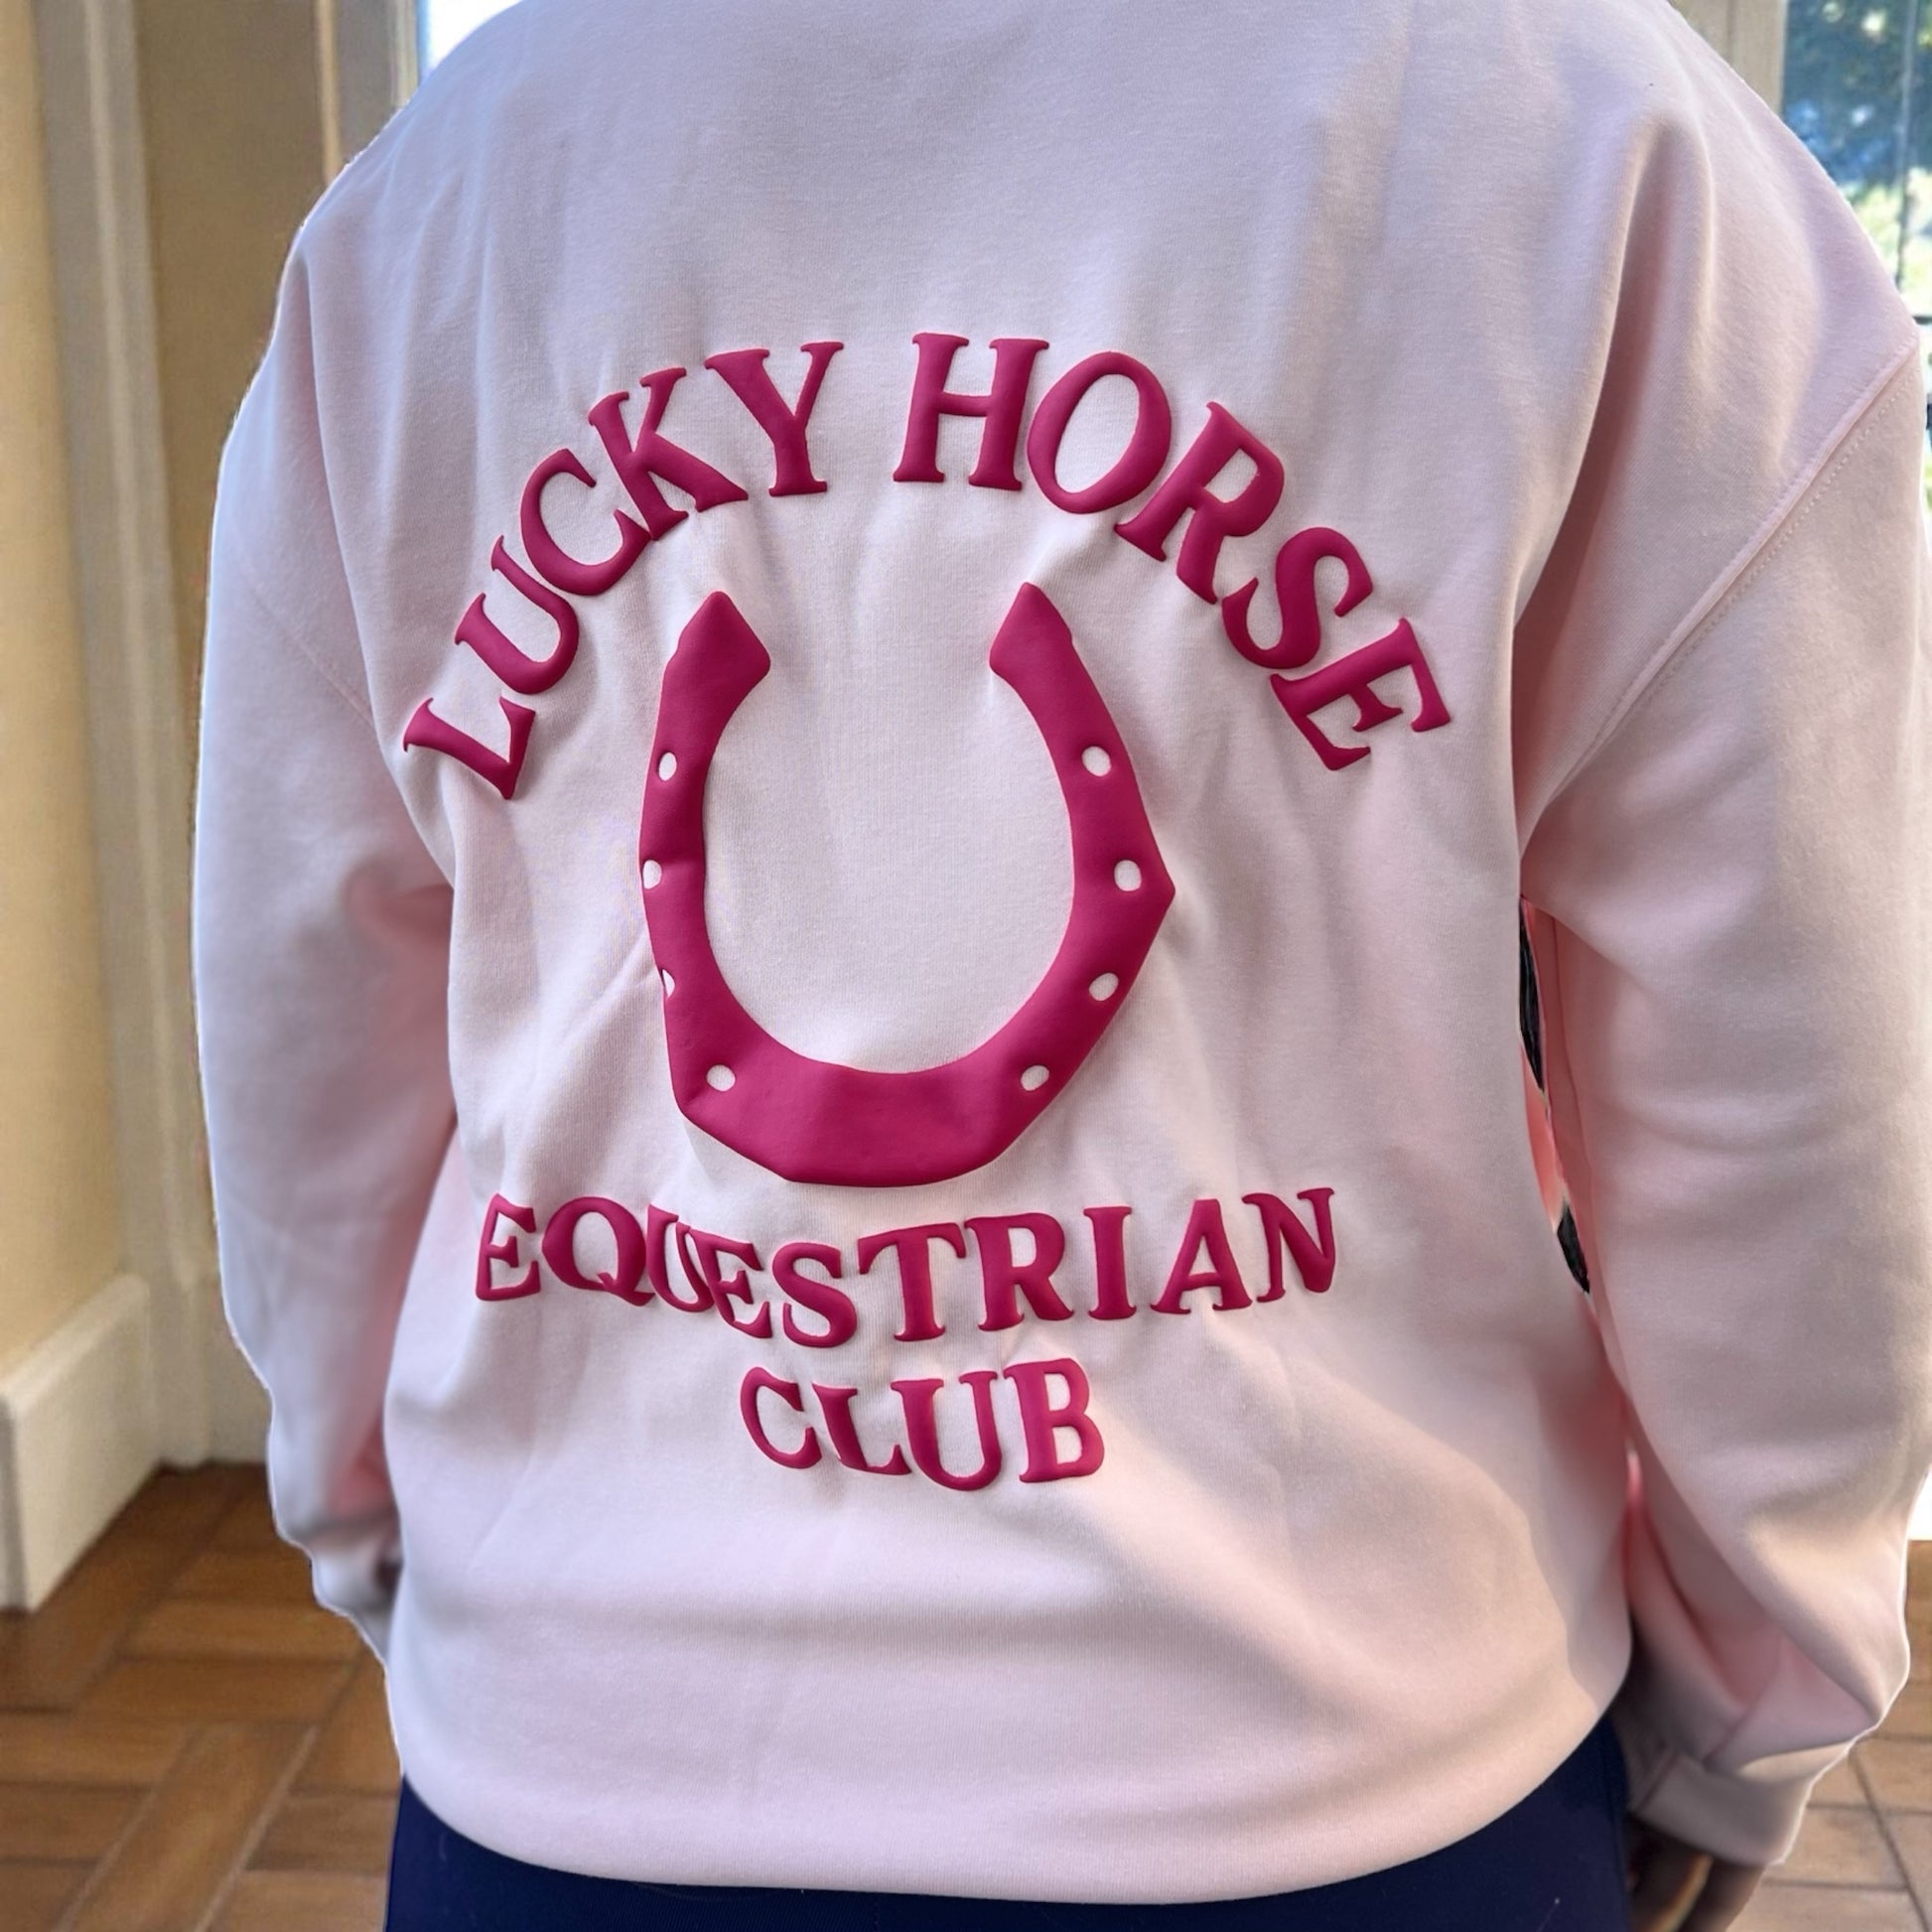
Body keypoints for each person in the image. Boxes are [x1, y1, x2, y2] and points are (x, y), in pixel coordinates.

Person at [189, 1, 1932, 1926]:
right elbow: (1789, 1093)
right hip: (1359, 1753)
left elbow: (305, 1038)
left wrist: (391, 1537)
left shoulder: (437, 203)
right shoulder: (1612, 148)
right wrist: (1746, 1694)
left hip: (576, 1770)